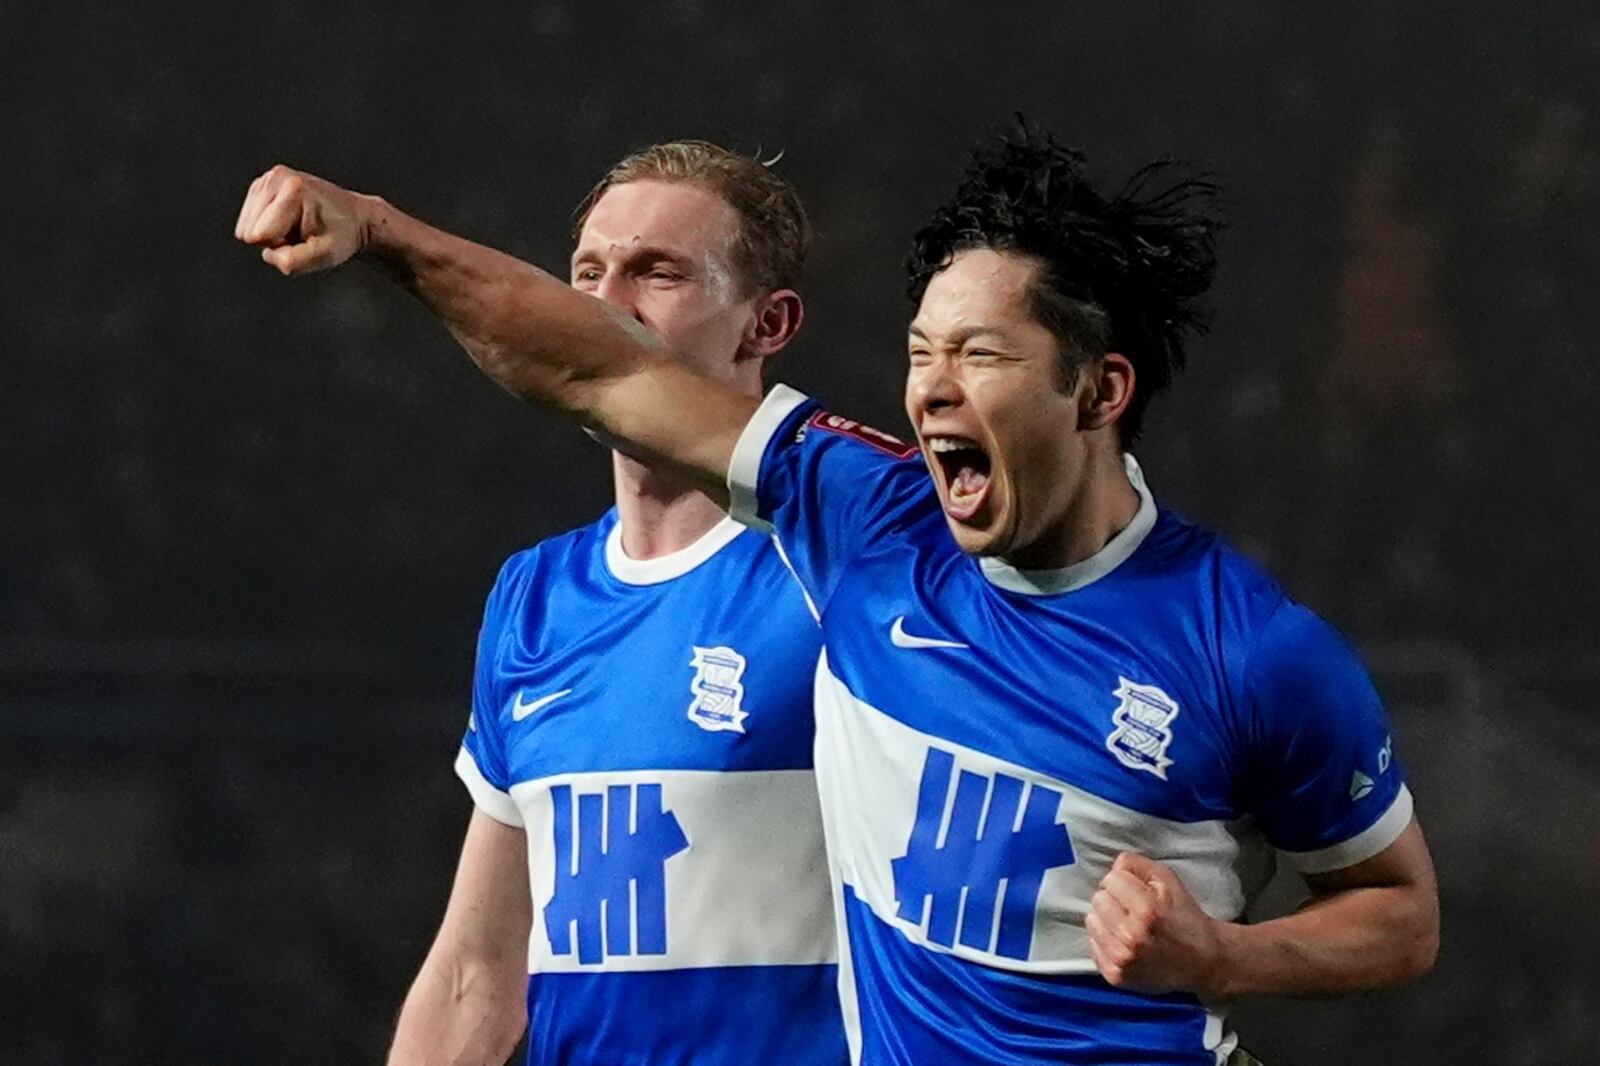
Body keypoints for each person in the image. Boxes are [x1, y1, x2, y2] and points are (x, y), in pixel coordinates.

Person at [236, 126, 1440, 1065]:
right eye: (919, 353)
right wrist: (380, 231)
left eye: (978, 356)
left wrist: (1222, 953)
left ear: (1096, 388)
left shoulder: (1252, 649)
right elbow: (594, 365)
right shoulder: (867, 528)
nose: (930, 389)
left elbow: (1395, 911)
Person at [373, 142, 846, 1065]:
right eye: (587, 271)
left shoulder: (840, 568)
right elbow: (478, 970)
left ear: (768, 323)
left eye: (655, 272)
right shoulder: (536, 596)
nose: (601, 305)